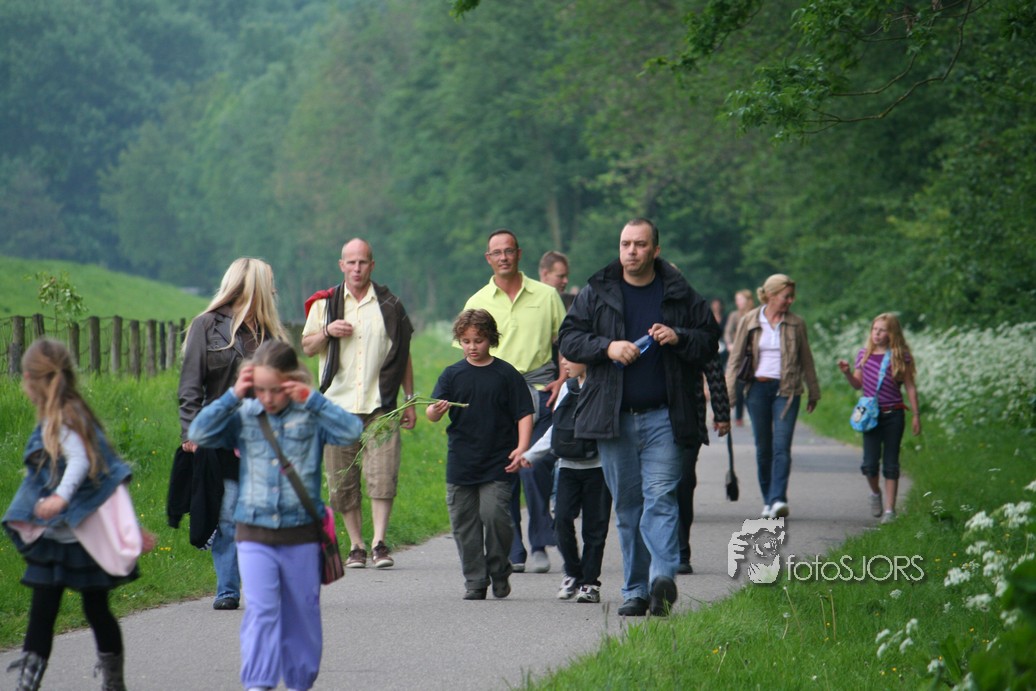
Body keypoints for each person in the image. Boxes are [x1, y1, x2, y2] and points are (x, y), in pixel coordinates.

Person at [558, 218, 720, 617]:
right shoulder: (597, 291)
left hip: (665, 416)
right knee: (629, 508)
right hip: (614, 419)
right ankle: (636, 590)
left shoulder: (679, 292)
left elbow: (709, 341)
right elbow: (569, 339)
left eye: (640, 244)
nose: (631, 251)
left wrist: (679, 336)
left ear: (655, 250)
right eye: (626, 243)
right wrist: (607, 347)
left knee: (661, 498)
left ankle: (662, 578)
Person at [188, 340, 363, 691]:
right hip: (254, 531)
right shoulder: (245, 416)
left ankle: (299, 682)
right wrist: (233, 395)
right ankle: (259, 684)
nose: (267, 398)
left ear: (291, 381)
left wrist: (312, 399)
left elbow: (351, 431)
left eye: (276, 389)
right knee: (262, 611)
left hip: (301, 534)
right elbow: (199, 432)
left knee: (302, 613)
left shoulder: (310, 415)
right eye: (261, 390)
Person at [3, 339, 153, 691]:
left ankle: (113, 683)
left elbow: (83, 463)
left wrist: (60, 497)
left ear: (30, 380)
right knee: (44, 611)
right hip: (57, 538)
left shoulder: (66, 417)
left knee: (94, 610)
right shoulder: (61, 415)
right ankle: (27, 684)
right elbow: (107, 482)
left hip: (82, 541)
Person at [178, 257, 288, 610]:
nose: (274, 289)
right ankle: (227, 588)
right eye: (269, 282)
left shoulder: (271, 333)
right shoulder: (206, 325)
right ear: (252, 285)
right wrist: (190, 430)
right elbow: (190, 386)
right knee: (228, 513)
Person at [301, 238, 415, 569]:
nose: (356, 268)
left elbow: (404, 354)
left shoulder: (390, 304)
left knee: (383, 475)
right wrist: (327, 331)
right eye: (350, 262)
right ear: (342, 265)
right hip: (336, 407)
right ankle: (356, 545)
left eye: (362, 262)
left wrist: (409, 400)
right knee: (341, 481)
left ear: (372, 265)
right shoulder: (325, 304)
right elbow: (307, 346)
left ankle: (379, 542)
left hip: (382, 404)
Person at [464, 230, 566, 574]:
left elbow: (567, 342)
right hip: (497, 399)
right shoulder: (478, 301)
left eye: (509, 251)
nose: (504, 257)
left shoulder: (547, 295)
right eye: (497, 252)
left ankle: (539, 541)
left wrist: (563, 379)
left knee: (534, 465)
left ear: (519, 254)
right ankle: (514, 547)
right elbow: (469, 355)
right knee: (502, 473)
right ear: (488, 258)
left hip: (540, 393)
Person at [426, 309, 534, 600]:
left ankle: (499, 569)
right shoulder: (452, 374)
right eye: (466, 341)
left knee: (495, 515)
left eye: (479, 340)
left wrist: (522, 446)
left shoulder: (506, 374)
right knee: (464, 523)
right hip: (461, 460)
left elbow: (524, 412)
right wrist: (434, 411)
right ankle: (475, 580)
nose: (472, 347)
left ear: (491, 340)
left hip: (498, 460)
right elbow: (432, 413)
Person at [725, 274, 820, 520]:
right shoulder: (749, 320)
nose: (790, 301)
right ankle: (768, 500)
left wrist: (813, 390)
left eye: (791, 296)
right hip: (757, 389)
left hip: (787, 391)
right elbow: (735, 360)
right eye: (786, 296)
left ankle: (778, 498)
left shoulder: (797, 324)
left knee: (782, 446)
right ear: (770, 295)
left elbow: (806, 358)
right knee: (763, 447)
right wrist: (728, 397)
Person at [521, 355, 610, 604]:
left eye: (570, 358)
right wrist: (532, 454)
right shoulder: (566, 388)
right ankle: (572, 572)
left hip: (599, 468)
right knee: (561, 520)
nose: (563, 363)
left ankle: (590, 583)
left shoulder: (605, 387)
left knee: (595, 529)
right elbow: (557, 428)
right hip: (568, 467)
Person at [838, 313, 921, 523]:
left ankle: (890, 511)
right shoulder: (864, 355)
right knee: (869, 464)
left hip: (894, 414)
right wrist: (847, 373)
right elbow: (858, 384)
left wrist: (916, 415)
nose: (877, 333)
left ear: (891, 333)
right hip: (871, 417)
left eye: (882, 330)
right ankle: (875, 493)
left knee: (891, 463)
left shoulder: (900, 356)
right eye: (875, 329)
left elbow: (910, 386)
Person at [676, 354, 731, 574]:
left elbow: (712, 365)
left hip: (689, 417)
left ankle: (680, 551)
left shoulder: (694, 331)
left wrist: (721, 412)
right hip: (648, 417)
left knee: (683, 480)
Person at [724, 289, 755, 427]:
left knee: (750, 385)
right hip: (737, 354)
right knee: (737, 384)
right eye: (737, 300)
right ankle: (738, 415)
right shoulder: (734, 315)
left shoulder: (755, 315)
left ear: (748, 300)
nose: (738, 302)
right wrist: (730, 344)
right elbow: (727, 332)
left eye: (740, 299)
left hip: (751, 355)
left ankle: (754, 413)